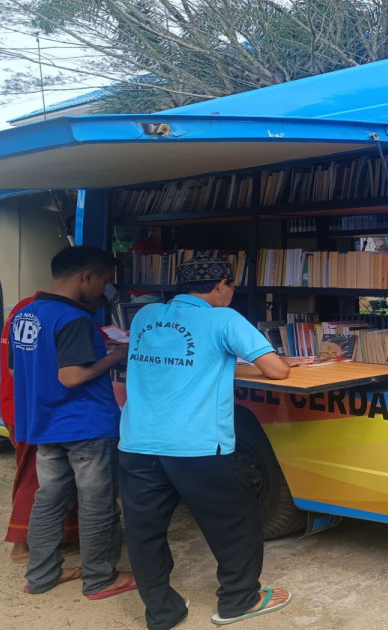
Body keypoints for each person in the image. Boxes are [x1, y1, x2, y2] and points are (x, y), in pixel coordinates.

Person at [118, 257, 300, 629]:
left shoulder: (145, 315)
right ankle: (239, 601)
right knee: (235, 523)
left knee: (145, 531)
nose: (232, 293)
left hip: (137, 442)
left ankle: (161, 611)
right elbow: (277, 370)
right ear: (220, 286)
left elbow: (175, 358)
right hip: (197, 445)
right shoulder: (224, 320)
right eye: (231, 286)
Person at [10, 246, 136, 599]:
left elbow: (16, 367)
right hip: (85, 425)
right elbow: (71, 376)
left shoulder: (26, 314)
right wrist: (116, 356)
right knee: (97, 502)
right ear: (86, 276)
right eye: (104, 281)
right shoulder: (74, 319)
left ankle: (42, 575)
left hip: (45, 421)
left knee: (49, 499)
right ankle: (100, 578)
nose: (103, 290)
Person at [0, 291, 78, 563]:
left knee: (43, 476)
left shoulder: (25, 309)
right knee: (36, 479)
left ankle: (63, 537)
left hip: (19, 403)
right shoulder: (57, 315)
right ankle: (21, 546)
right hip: (32, 408)